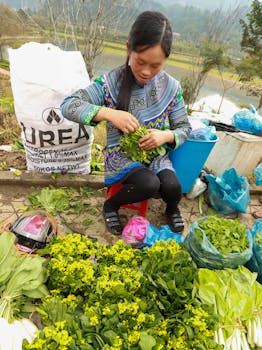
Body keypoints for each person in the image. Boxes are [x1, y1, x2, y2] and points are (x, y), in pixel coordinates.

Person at [61, 11, 192, 235]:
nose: (146, 72)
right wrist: (108, 114)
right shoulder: (109, 83)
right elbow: (68, 105)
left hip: (156, 156)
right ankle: (110, 205)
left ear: (165, 60)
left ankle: (171, 209)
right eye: (140, 61)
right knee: (149, 184)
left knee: (172, 187)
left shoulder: (171, 88)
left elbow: (185, 128)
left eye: (156, 65)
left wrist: (165, 136)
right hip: (121, 157)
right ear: (128, 48)